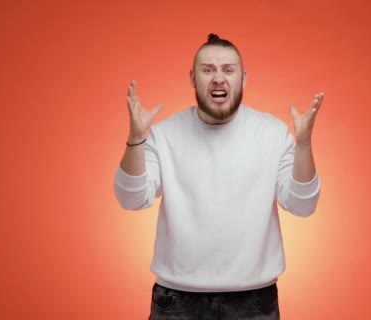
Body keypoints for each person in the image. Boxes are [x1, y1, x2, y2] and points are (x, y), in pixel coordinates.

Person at [114, 33, 324, 319]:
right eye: (207, 69)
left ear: (243, 79)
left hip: (255, 303)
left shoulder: (272, 133)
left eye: (228, 69)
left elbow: (303, 205)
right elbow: (131, 198)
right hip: (176, 303)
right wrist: (136, 138)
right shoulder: (165, 135)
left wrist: (303, 146)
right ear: (192, 78)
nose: (218, 78)